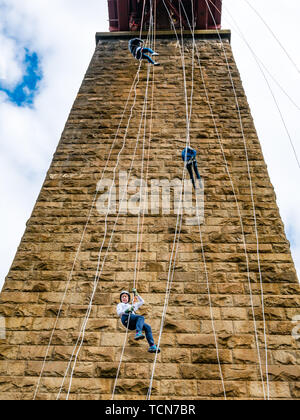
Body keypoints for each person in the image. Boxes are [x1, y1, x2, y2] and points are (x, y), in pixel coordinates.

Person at [117, 289, 160, 353]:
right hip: (125, 318)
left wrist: (137, 294)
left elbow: (142, 301)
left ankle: (152, 346)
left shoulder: (132, 305)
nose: (124, 298)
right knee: (140, 317)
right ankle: (138, 333)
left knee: (147, 327)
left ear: (128, 298)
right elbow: (119, 312)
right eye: (122, 297)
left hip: (132, 323)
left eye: (125, 296)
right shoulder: (120, 304)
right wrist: (127, 310)